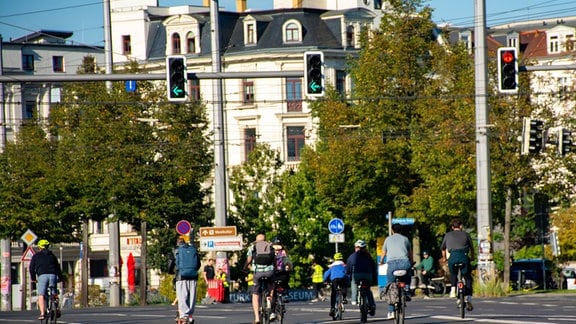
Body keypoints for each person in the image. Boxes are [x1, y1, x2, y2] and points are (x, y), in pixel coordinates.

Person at [379, 223, 413, 320]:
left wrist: (381, 261)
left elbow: (383, 252)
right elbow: (410, 253)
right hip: (404, 263)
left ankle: (390, 312)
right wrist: (411, 262)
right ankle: (406, 289)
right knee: (408, 274)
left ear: (392, 230)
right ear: (401, 230)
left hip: (392, 265)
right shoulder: (406, 239)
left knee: (390, 286)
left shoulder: (388, 239)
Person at [441, 218, 475, 311]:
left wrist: (444, 258)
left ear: (452, 227)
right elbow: (472, 248)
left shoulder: (447, 235)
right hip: (464, 258)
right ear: (461, 226)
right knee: (467, 277)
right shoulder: (466, 234)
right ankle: (468, 297)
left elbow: (443, 249)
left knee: (453, 273)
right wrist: (472, 257)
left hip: (452, 258)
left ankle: (452, 289)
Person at [243, 234, 275, 324]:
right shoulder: (270, 246)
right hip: (269, 272)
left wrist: (244, 268)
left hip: (257, 273)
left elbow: (249, 260)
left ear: (256, 240)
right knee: (272, 285)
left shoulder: (252, 247)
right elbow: (274, 259)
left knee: (255, 294)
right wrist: (275, 268)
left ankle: (257, 318)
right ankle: (269, 300)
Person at [29, 239, 63, 321]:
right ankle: (57, 308)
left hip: (42, 276)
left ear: (39, 247)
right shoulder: (52, 256)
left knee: (41, 295)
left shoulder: (36, 256)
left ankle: (42, 313)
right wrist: (60, 277)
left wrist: (33, 279)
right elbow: (58, 267)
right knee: (54, 293)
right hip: (53, 275)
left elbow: (31, 268)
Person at [346, 239, 376, 316]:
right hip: (368, 275)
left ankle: (354, 299)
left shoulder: (352, 256)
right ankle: (372, 305)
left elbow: (348, 268)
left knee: (353, 280)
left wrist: (348, 275)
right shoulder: (368, 256)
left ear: (356, 248)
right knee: (368, 290)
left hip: (357, 275)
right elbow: (373, 267)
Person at [174, 237, 201, 323]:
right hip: (193, 276)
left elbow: (173, 264)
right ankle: (190, 315)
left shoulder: (177, 250)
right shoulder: (193, 249)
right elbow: (198, 264)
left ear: (178, 243)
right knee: (191, 296)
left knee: (182, 296)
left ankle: (184, 316)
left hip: (181, 276)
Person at [269, 236, 292, 321]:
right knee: (285, 281)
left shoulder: (271, 252)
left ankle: (272, 312)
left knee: (274, 292)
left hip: (275, 273)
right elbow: (288, 262)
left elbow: (287, 262)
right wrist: (288, 267)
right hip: (282, 273)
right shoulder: (284, 252)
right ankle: (285, 295)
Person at [323, 252, 348, 317]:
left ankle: (332, 308)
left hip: (334, 279)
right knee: (344, 287)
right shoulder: (344, 265)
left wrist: (325, 280)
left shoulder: (332, 266)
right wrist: (348, 280)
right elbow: (347, 273)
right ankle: (344, 298)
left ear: (334, 259)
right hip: (342, 278)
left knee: (334, 293)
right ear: (342, 258)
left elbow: (326, 274)